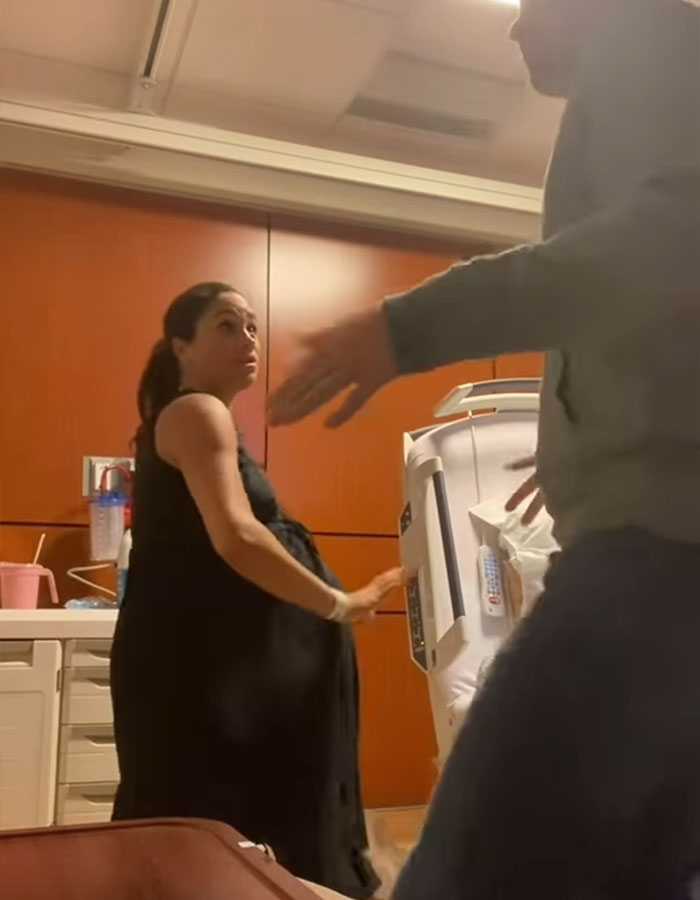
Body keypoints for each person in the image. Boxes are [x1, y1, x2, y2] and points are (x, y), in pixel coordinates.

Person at [268, 0, 700, 895]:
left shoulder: (651, 40)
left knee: (470, 872)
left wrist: (405, 329)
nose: (514, 29)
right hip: (659, 542)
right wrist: (587, 441)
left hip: (657, 562)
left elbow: (668, 248)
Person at [110, 282, 407, 899]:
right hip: (204, 674)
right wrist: (340, 603)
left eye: (251, 327)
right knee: (204, 826)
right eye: (226, 325)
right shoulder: (197, 412)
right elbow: (238, 536)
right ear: (181, 347)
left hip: (223, 668)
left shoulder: (199, 418)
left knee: (217, 834)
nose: (248, 339)